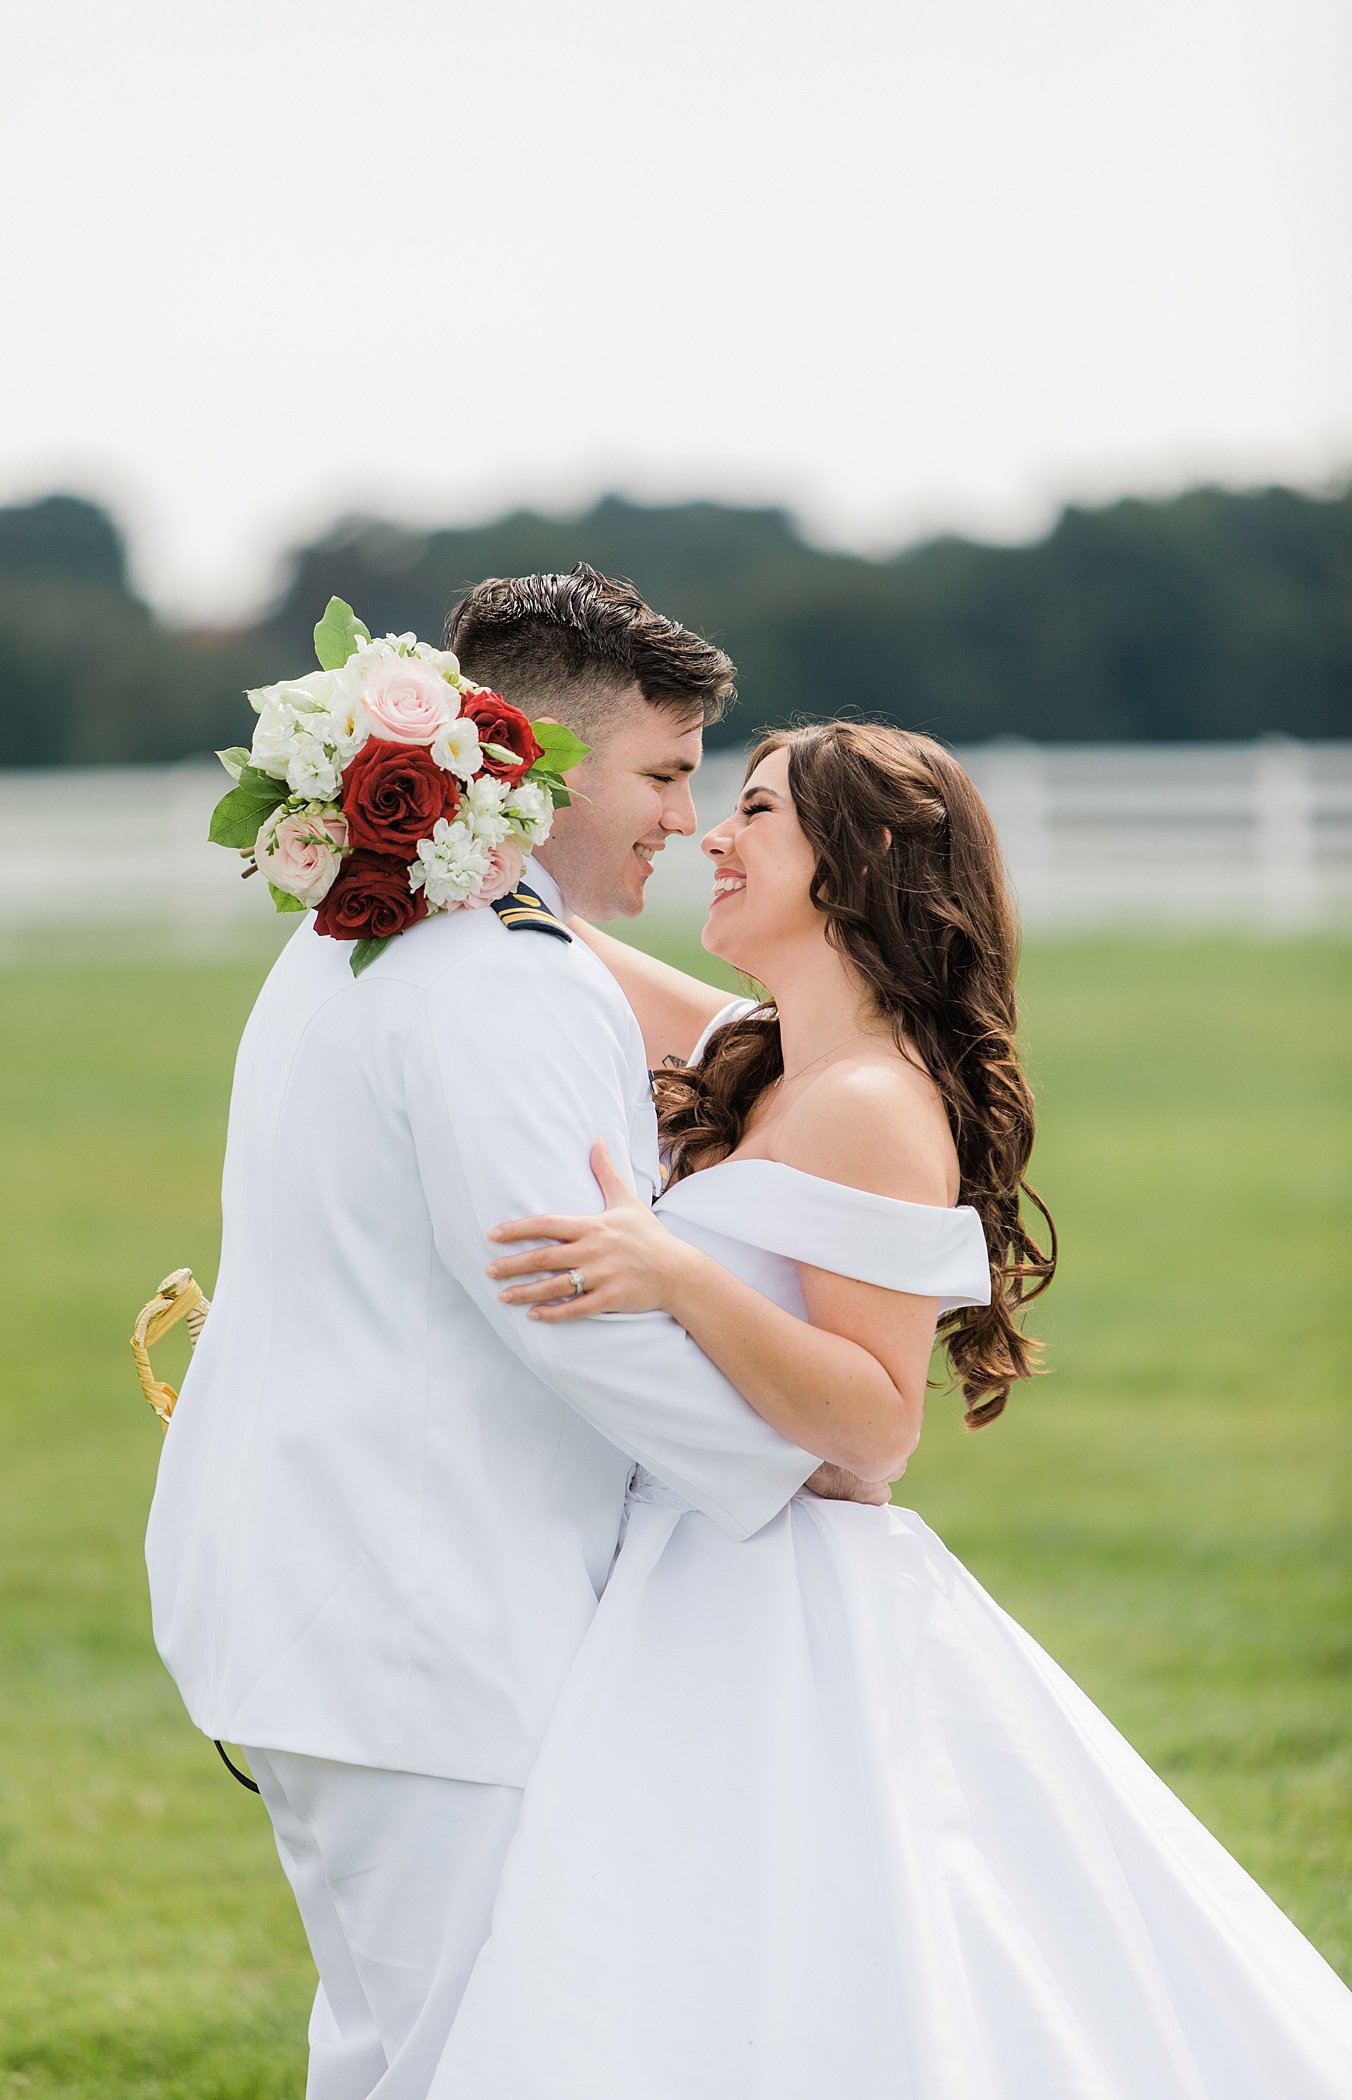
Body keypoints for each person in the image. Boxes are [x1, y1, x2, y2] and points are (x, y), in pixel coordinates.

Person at [426, 721, 1352, 2099]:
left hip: (775, 1600)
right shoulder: (769, 1053)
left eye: (752, 813)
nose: (712, 841)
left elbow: (873, 1433)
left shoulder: (871, 1103)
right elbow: (549, 947)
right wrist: (438, 844)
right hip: (687, 1570)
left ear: (852, 860)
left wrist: (679, 1276)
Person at [145, 569, 882, 2100]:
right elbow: (566, 1304)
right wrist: (793, 1467)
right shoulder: (501, 982)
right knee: (473, 2057)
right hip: (413, 1618)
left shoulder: (359, 941)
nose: (685, 821)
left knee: (398, 2050)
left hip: (338, 1604)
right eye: (668, 774)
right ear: (537, 762)